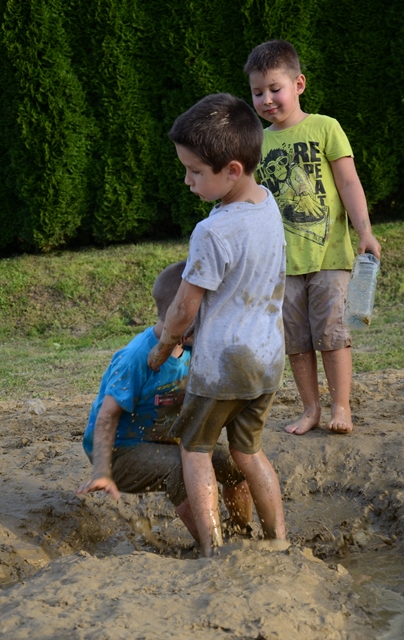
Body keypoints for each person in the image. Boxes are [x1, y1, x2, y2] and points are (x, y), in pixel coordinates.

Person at [147, 93, 287, 557]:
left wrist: (165, 346)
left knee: (195, 450)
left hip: (223, 365)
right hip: (267, 361)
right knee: (249, 454)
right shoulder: (267, 204)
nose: (186, 181)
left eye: (194, 171)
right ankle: (278, 541)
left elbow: (185, 308)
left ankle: (211, 547)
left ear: (231, 170)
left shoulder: (212, 231)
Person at [244, 39, 382, 436]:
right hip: (281, 265)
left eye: (275, 89)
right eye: (257, 92)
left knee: (333, 333)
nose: (267, 99)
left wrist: (366, 232)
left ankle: (341, 407)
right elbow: (251, 202)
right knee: (296, 341)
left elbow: (349, 181)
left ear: (299, 84)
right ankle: (311, 409)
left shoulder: (325, 127)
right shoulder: (257, 143)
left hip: (329, 258)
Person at [76, 260, 253, 545]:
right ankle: (215, 549)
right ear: (178, 313)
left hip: (164, 439)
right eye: (202, 312)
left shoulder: (195, 346)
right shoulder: (135, 357)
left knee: (234, 467)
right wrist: (102, 471)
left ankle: (243, 537)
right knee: (183, 469)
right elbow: (107, 416)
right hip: (120, 452)